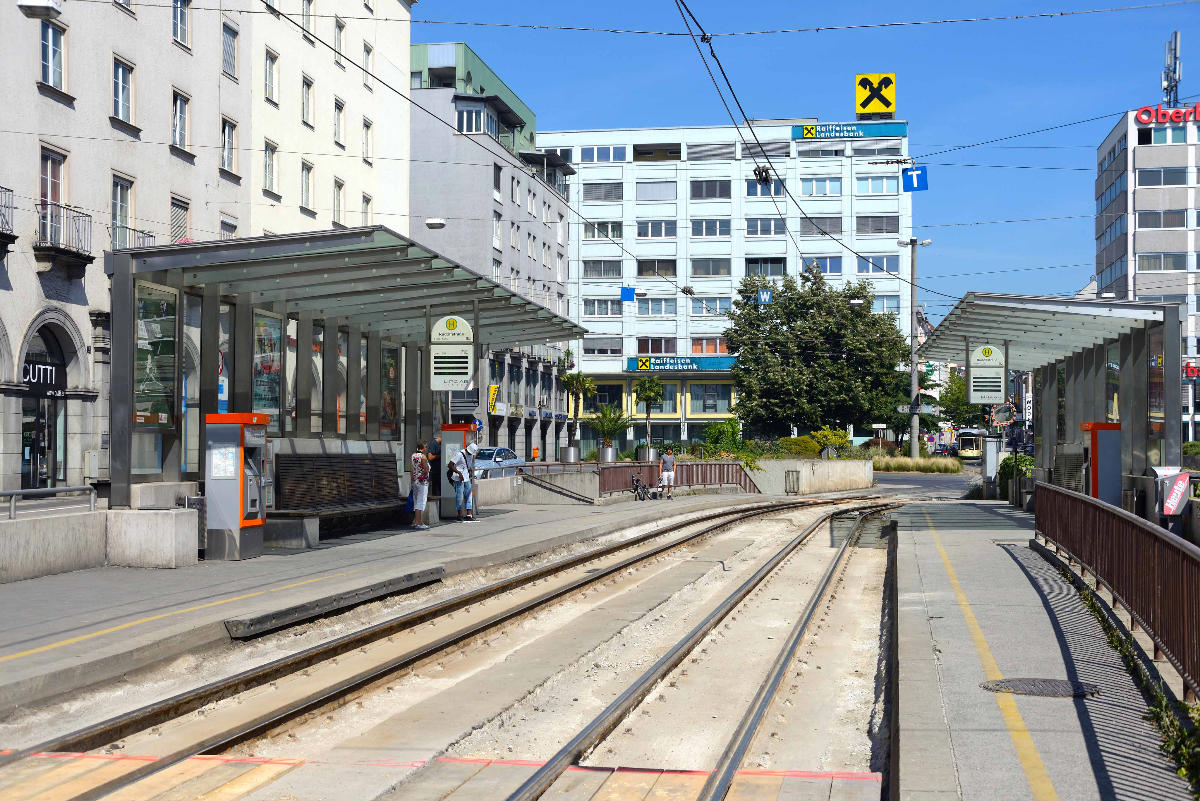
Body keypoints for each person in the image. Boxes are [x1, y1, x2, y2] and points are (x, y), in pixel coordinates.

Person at [448, 442, 480, 522]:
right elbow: (450, 465)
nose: (470, 454)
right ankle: (459, 515)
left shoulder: (471, 455)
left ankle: (469, 515)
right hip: (458, 478)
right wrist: (459, 473)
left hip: (466, 478)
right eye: (469, 452)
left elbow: (468, 466)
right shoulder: (459, 454)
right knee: (459, 497)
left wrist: (470, 471)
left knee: (469, 496)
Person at [410, 441, 430, 530]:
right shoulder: (423, 457)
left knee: (416, 500)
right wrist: (427, 469)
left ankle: (415, 521)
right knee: (421, 502)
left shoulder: (413, 456)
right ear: (423, 447)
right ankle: (419, 522)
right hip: (422, 481)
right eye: (426, 447)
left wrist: (413, 478)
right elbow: (426, 469)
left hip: (415, 480)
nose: (426, 449)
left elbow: (411, 469)